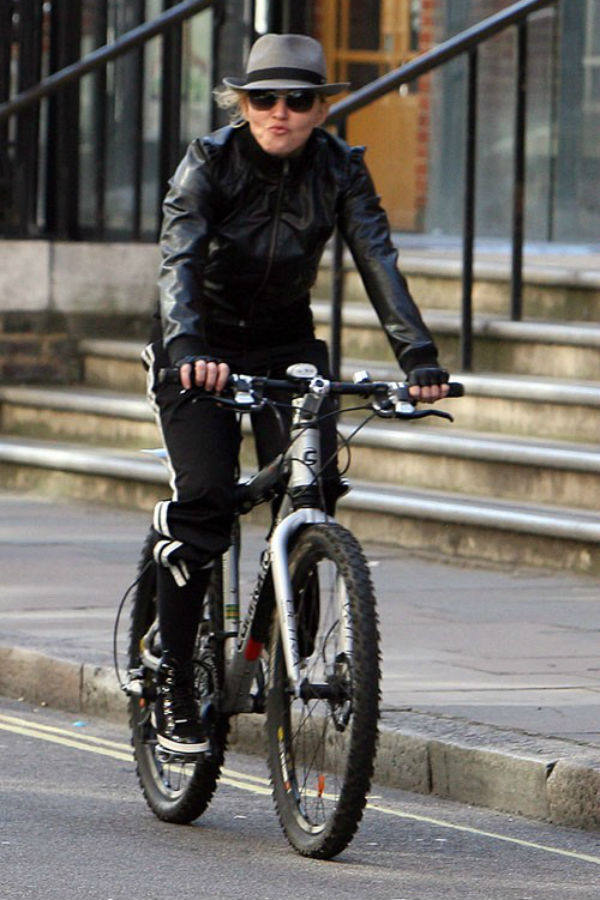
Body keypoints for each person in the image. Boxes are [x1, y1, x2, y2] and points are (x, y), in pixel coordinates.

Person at [142, 32, 450, 755]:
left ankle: (300, 576)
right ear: (241, 103)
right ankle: (174, 683)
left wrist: (419, 355)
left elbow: (377, 258)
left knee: (319, 477)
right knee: (208, 500)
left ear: (319, 109)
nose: (280, 111)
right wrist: (187, 345)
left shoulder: (342, 169)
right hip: (202, 346)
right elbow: (178, 259)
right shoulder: (208, 163)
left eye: (299, 99)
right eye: (264, 98)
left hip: (285, 344)